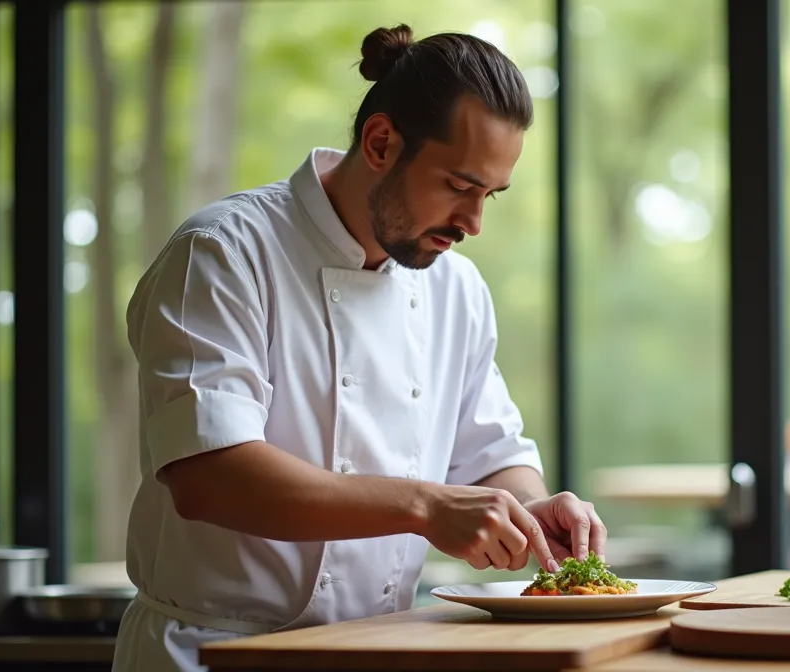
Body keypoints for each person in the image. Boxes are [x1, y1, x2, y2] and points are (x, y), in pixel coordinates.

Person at [111, 23, 608, 672]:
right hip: (216, 652)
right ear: (380, 143)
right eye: (460, 186)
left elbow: (489, 454)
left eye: (490, 195)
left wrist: (529, 512)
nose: (474, 223)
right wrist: (426, 507)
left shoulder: (455, 288)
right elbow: (210, 477)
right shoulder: (223, 254)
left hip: (380, 649)